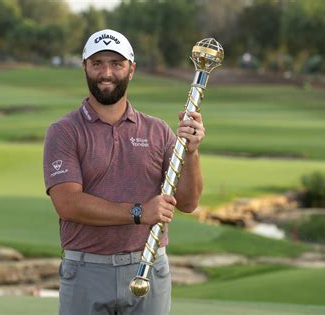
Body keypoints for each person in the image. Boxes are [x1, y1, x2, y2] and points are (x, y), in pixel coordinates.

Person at [43, 29, 204, 315]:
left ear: (131, 69)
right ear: (85, 68)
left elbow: (189, 202)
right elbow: (67, 204)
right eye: (97, 63)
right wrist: (139, 212)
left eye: (116, 64)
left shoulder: (158, 131)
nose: (106, 72)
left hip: (148, 268)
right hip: (85, 269)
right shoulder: (64, 132)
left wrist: (190, 152)